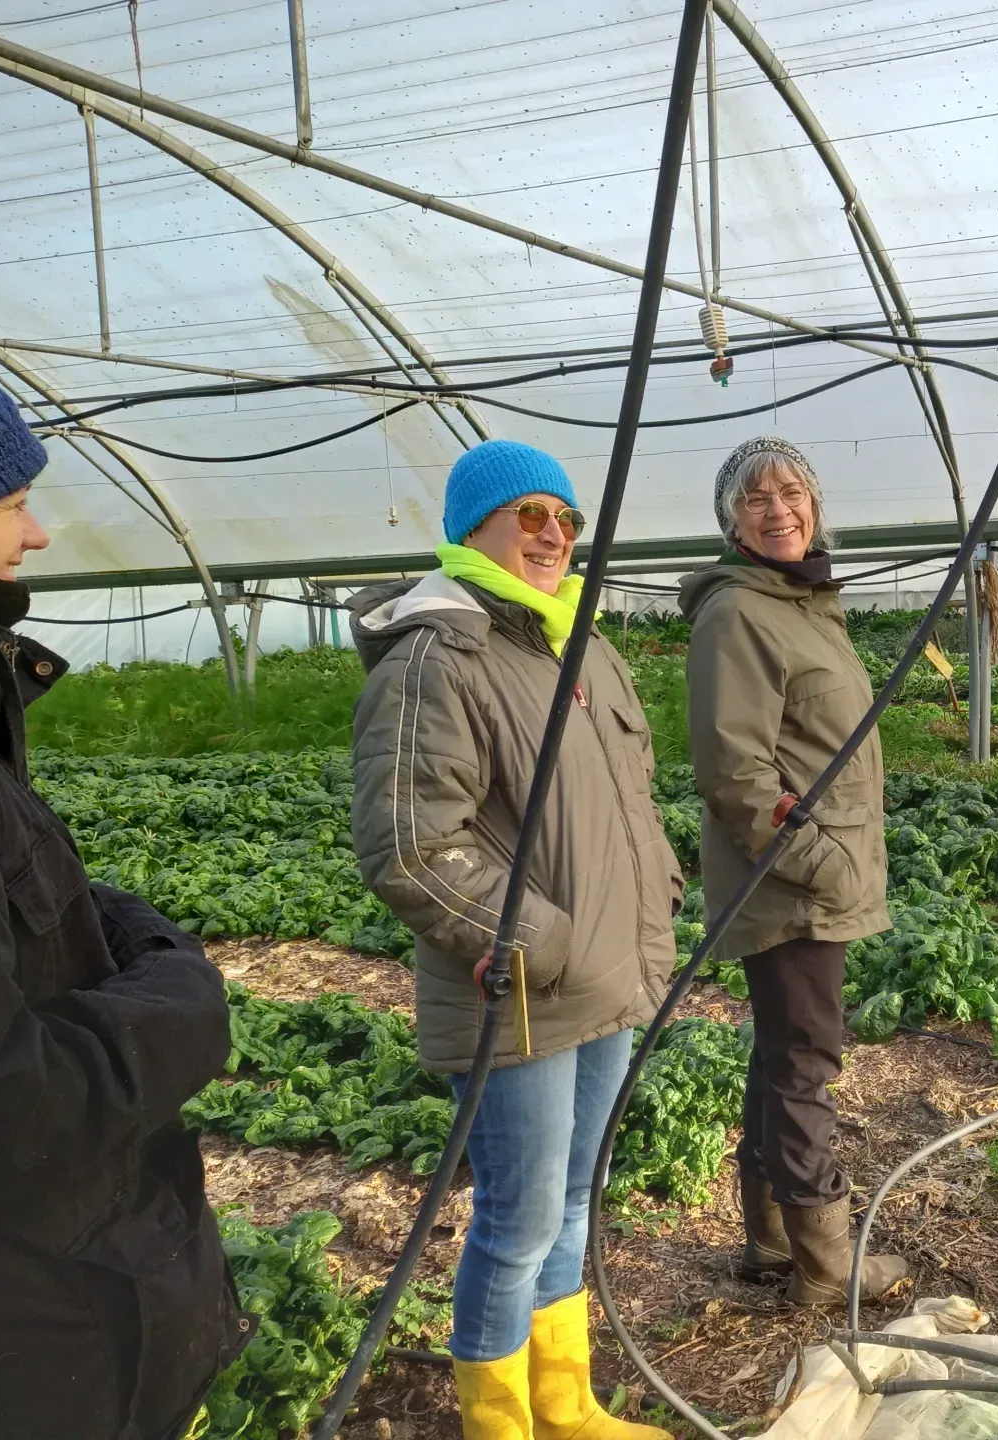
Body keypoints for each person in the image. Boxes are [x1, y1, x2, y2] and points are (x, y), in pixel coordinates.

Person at [0, 338, 245, 1439]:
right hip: (5, 1338)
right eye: (12, 500)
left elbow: (7, 910)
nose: (38, 532)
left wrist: (115, 934)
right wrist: (187, 1001)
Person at [349, 439, 680, 1440]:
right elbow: (410, 844)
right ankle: (498, 1425)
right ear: (472, 528)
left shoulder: (579, 646)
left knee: (575, 1198)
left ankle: (566, 1403)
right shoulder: (437, 656)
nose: (552, 534)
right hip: (522, 987)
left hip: (605, 974)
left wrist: (651, 897)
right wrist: (541, 938)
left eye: (566, 519)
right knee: (517, 1217)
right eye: (528, 514)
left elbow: (630, 803)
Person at [680, 437, 910, 1307]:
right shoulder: (738, 614)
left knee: (781, 1053)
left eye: (792, 492)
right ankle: (823, 1258)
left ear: (816, 504)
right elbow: (735, 772)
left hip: (809, 875)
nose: (779, 509)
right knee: (804, 1060)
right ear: (730, 522)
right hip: (789, 885)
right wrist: (818, 862)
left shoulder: (801, 603)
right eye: (755, 500)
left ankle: (772, 1240)